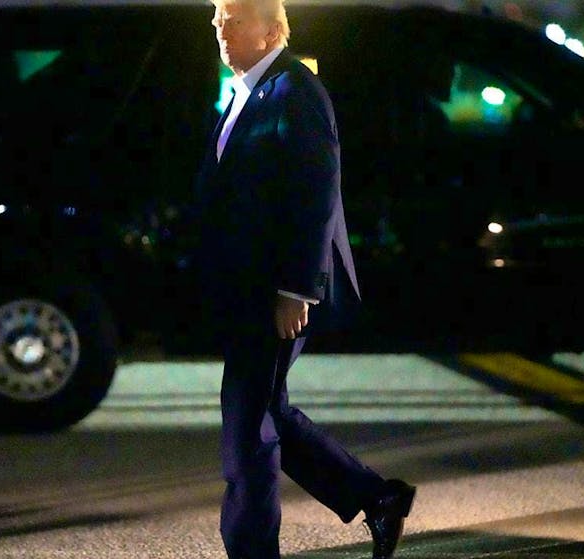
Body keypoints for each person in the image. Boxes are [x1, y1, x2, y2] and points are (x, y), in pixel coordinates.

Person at [193, 0, 415, 557]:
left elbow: (316, 194)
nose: (218, 27)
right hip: (248, 288)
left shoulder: (297, 91)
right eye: (217, 17)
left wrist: (298, 288)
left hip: (277, 291)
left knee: (248, 431)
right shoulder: (247, 90)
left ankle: (252, 550)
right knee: (269, 415)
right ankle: (377, 497)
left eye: (231, 18)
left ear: (271, 32)